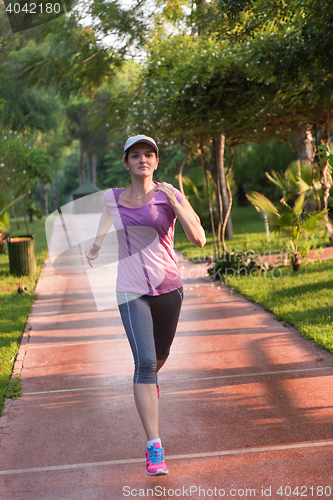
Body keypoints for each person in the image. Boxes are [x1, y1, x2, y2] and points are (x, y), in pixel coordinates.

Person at [85, 134, 206, 476]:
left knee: (159, 358)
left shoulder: (170, 195)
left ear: (156, 161)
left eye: (148, 154)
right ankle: (155, 448)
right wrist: (95, 248)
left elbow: (199, 239)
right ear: (126, 162)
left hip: (169, 288)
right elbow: (105, 225)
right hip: (130, 290)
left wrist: (176, 202)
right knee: (146, 362)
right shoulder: (112, 199)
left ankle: (148, 384)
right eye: (135, 155)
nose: (142, 159)